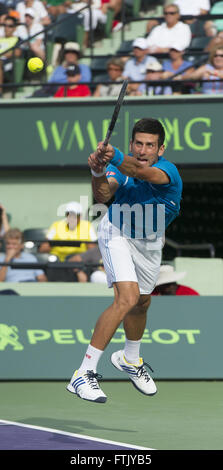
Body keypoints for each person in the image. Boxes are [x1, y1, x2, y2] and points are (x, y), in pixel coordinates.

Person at [67, 118, 183, 403]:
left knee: (143, 301)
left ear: (160, 149)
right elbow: (103, 194)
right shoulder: (123, 172)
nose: (143, 150)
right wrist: (97, 171)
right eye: (139, 144)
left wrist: (114, 156)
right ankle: (84, 372)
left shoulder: (167, 171)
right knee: (127, 298)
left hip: (150, 242)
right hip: (117, 232)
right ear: (132, 144)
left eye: (150, 145)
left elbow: (142, 172)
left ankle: (130, 359)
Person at [0, 15, 23, 95]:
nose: (7, 28)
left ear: (14, 28)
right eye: (5, 25)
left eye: (10, 26)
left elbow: (17, 52)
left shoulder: (17, 39)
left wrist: (4, 54)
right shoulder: (0, 38)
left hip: (8, 62)